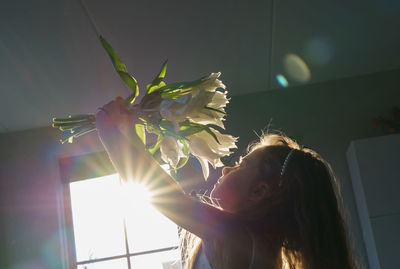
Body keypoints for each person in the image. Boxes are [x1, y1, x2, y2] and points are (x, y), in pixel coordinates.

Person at [95, 97, 358, 269]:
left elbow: (168, 198)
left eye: (242, 165)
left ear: (258, 192)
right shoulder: (259, 247)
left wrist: (114, 135)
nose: (226, 169)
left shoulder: (240, 239)